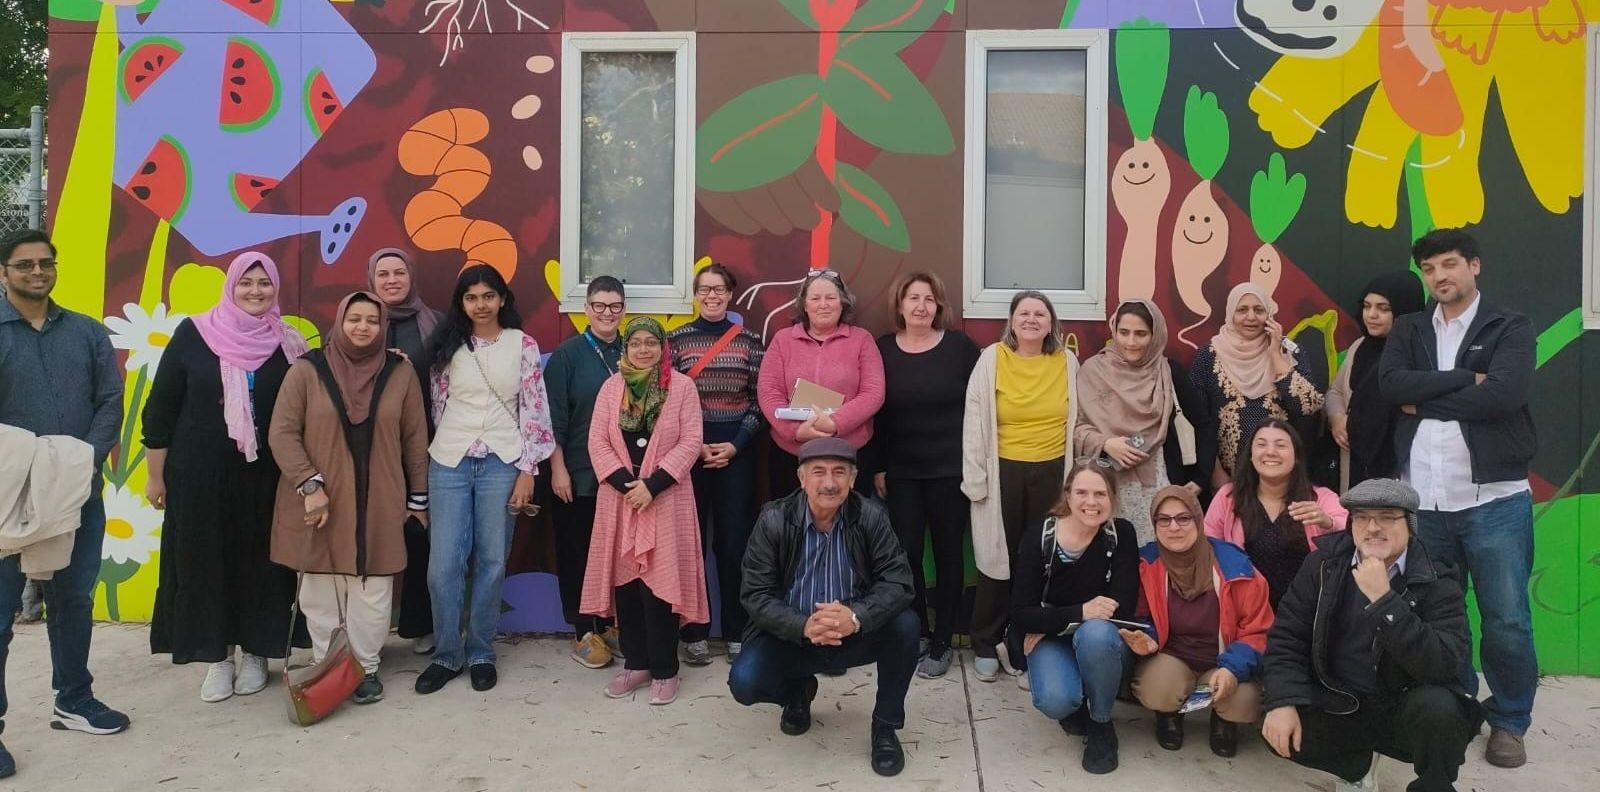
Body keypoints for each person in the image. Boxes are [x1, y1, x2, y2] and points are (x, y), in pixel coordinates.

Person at [1379, 228, 1538, 768]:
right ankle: (1457, 706)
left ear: (1474, 265)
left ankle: (1510, 720)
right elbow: (1391, 386)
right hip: (1424, 503)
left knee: (1506, 619)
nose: (1439, 276)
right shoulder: (1410, 328)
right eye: (1429, 269)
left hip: (1494, 501)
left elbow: (1503, 397)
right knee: (1438, 615)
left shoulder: (1509, 326)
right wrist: (1466, 378)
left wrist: (1424, 402)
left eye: (1449, 264)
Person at [142, 251, 307, 703]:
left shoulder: (288, 343)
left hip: (265, 478)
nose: (256, 291)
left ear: (275, 288)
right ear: (230, 287)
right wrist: (155, 478)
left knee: (263, 563)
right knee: (206, 561)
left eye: (264, 283)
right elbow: (159, 409)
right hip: (200, 476)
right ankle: (218, 657)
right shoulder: (194, 333)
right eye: (245, 283)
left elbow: (313, 400)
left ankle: (256, 653)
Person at [0, 229, 128, 778]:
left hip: (77, 493)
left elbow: (110, 400)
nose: (37, 272)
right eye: (24, 264)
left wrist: (82, 461)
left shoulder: (87, 332)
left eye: (45, 263)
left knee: (73, 599)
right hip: (7, 500)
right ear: (4, 272)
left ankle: (73, 699)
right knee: (0, 614)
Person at [1260, 478, 1483, 792]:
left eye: (1387, 517)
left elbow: (1446, 660)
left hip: (1402, 706)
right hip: (1339, 698)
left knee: (1440, 709)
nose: (1373, 527)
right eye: (1362, 517)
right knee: (1277, 722)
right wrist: (1282, 702)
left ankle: (1434, 784)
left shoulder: (1436, 576)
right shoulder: (1323, 565)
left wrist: (1385, 601)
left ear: (1410, 524)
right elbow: (1287, 637)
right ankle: (1357, 768)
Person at [268, 292, 430, 704]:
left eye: (372, 321)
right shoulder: (307, 370)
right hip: (318, 501)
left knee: (372, 589)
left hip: (380, 499)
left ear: (383, 326)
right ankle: (328, 666)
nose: (363, 327)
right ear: (340, 321)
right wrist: (309, 484)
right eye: (354, 319)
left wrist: (418, 500)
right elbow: (282, 433)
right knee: (319, 590)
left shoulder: (400, 372)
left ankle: (365, 668)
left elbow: (414, 438)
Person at [727, 438, 917, 777]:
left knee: (906, 625)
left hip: (853, 633)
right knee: (745, 681)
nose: (829, 483)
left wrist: (856, 617)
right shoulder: (773, 520)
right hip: (793, 636)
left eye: (839, 472)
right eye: (819, 472)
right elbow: (755, 594)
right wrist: (802, 625)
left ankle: (885, 727)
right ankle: (797, 692)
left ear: (852, 480)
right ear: (802, 479)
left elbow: (899, 582)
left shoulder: (870, 517)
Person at [415, 266, 555, 695]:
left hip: (502, 461)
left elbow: (534, 408)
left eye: (488, 296)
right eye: (471, 297)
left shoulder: (522, 345)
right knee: (444, 565)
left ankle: (480, 651)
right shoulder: (448, 345)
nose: (480, 304)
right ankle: (446, 654)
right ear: (461, 302)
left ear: (502, 299)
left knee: (492, 561)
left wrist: (528, 469)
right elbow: (439, 404)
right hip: (450, 462)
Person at [581, 318, 709, 705]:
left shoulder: (682, 387)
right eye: (635, 342)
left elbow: (691, 440)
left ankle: (665, 669)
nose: (643, 349)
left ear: (663, 347)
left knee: (661, 585)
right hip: (620, 501)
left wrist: (652, 486)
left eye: (651, 342)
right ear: (626, 348)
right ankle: (636, 664)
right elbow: (597, 441)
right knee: (627, 585)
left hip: (665, 498)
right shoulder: (611, 387)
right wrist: (628, 486)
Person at [962, 290, 1079, 682]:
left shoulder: (1067, 361)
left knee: (1039, 560)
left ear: (1051, 323)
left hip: (1053, 472)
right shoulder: (992, 359)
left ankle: (1024, 642)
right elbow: (974, 421)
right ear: (1011, 321)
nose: (1031, 320)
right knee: (997, 558)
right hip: (1003, 471)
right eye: (1024, 313)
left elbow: (1077, 420)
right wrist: (975, 478)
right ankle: (985, 640)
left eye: (1040, 314)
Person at [871, 272, 980, 679]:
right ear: (899, 305)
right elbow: (877, 413)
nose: (920, 306)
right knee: (907, 552)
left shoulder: (960, 348)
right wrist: (879, 465)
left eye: (929, 299)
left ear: (939, 306)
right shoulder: (883, 349)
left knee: (949, 553)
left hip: (950, 470)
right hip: (902, 471)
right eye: (913, 298)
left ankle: (943, 640)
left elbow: (980, 408)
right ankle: (917, 630)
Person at [1008, 462, 1138, 775]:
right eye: (1081, 492)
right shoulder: (1042, 536)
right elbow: (1021, 613)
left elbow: (1123, 607)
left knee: (1096, 634)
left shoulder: (1120, 534)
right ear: (1067, 495)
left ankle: (1101, 722)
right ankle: (1076, 701)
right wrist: (1081, 612)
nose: (1091, 502)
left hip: (1095, 638)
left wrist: (1050, 619)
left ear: (1113, 497)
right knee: (1056, 700)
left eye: (1100, 494)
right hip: (1054, 638)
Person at [1126, 486, 1272, 758]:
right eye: (1164, 519)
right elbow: (1140, 615)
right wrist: (1149, 637)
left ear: (1198, 519)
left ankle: (1224, 720)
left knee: (1244, 702)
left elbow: (1258, 630)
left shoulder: (1236, 567)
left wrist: (1233, 668)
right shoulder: (1147, 564)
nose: (1174, 527)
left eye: (1183, 518)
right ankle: (1168, 714)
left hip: (1224, 660)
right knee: (1157, 689)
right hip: (1173, 656)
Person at [668, 263, 765, 666]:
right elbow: (668, 402)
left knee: (733, 544)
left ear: (730, 294)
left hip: (735, 454)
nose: (712, 296)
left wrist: (736, 445)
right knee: (689, 543)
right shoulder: (675, 341)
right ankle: (693, 632)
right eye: (704, 289)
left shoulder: (750, 342)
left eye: (719, 289)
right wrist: (695, 445)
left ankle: (736, 632)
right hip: (688, 454)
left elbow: (760, 401)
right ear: (695, 294)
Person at [1075, 299, 1214, 544]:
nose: (1130, 342)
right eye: (1124, 332)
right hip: (1107, 485)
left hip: (1159, 484)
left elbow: (1203, 424)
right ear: (1114, 331)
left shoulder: (1168, 372)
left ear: (1155, 335)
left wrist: (1201, 479)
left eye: (1141, 334)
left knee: (1159, 552)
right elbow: (1075, 427)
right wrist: (1106, 443)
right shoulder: (1092, 371)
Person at [546, 276, 627, 668]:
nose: (606, 313)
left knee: (615, 555)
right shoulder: (567, 355)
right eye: (599, 305)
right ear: (586, 309)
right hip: (577, 473)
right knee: (577, 552)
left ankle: (609, 624)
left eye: (614, 306)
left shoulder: (635, 350)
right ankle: (582, 630)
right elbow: (552, 419)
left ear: (624, 310)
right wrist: (557, 469)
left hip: (624, 477)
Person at [368, 247, 444, 655]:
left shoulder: (436, 324)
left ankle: (420, 624)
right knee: (372, 536)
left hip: (425, 445)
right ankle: (367, 633)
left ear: (411, 277)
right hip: (371, 450)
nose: (392, 280)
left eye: (399, 272)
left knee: (420, 536)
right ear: (372, 279)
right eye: (383, 274)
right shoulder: (356, 320)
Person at [756, 269, 885, 498]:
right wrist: (796, 431)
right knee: (792, 519)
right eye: (815, 298)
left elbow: (873, 392)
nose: (823, 305)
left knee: (848, 519)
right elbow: (769, 391)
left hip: (848, 453)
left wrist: (835, 423)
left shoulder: (861, 340)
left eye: (830, 298)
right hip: (791, 455)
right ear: (804, 305)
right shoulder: (783, 340)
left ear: (842, 303)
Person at [1191, 283, 1324, 486]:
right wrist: (1214, 471)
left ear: (1269, 315)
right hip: (1228, 479)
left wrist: (1275, 356)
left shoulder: (1290, 352)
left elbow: (1308, 407)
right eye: (1242, 310)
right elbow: (1199, 420)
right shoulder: (1207, 356)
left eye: (1259, 310)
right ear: (1230, 313)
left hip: (1282, 476)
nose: (1251, 317)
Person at [1204, 420, 1347, 608]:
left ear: (1296, 456)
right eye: (1261, 444)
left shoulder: (1320, 498)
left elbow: (1350, 526)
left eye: (1280, 445)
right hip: (1249, 610)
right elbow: (1207, 546)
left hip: (1305, 609)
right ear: (1251, 456)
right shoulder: (1228, 498)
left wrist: (1328, 522)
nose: (1270, 452)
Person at [1327, 273, 1425, 491]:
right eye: (1367, 306)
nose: (1371, 315)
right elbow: (1336, 392)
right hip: (1353, 459)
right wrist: (1338, 420)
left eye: (1384, 308)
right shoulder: (1359, 347)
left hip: (1398, 465)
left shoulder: (1419, 355)